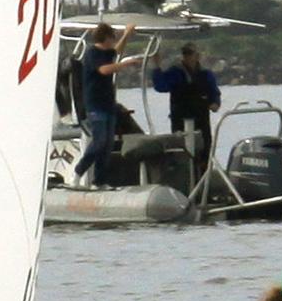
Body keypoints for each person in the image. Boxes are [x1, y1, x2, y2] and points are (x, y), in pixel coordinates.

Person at [72, 21, 137, 188]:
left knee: (107, 144)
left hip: (108, 104)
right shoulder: (92, 53)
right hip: (95, 104)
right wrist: (125, 64)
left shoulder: (107, 52)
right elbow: (104, 70)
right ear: (106, 37)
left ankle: (99, 180)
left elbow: (117, 51)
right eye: (112, 38)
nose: (113, 41)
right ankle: (79, 171)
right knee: (99, 141)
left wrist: (127, 34)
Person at [151, 44, 221, 172]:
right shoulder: (176, 72)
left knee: (204, 150)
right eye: (185, 53)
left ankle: (203, 178)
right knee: (182, 152)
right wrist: (156, 67)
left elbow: (214, 92)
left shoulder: (205, 74)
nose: (187, 56)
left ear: (197, 56)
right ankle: (185, 178)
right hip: (180, 119)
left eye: (190, 53)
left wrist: (215, 103)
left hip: (201, 118)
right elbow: (161, 86)